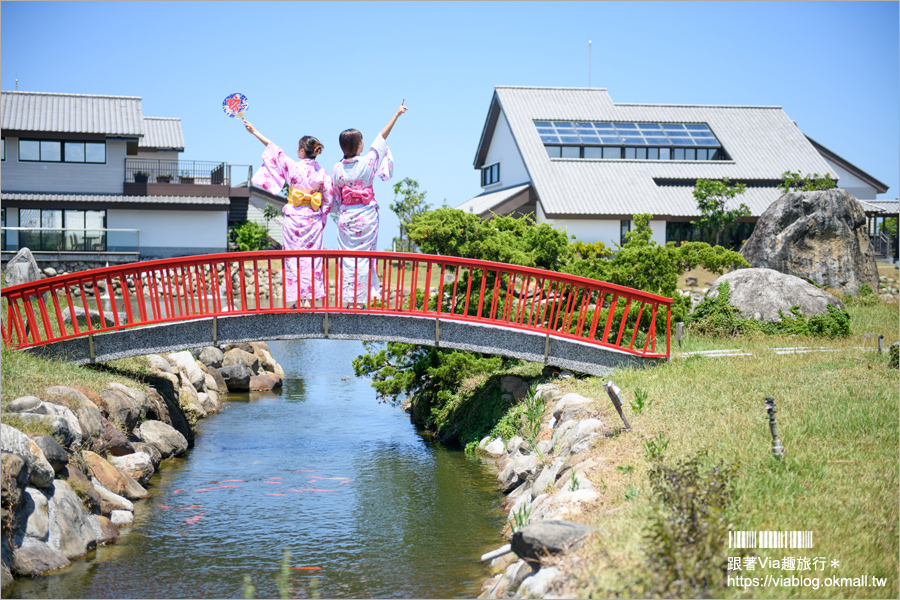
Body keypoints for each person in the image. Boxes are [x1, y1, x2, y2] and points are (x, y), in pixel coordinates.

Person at [244, 120, 334, 309]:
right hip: (312, 220)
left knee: (292, 258)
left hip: (294, 218)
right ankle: (309, 301)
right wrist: (321, 214)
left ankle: (296, 301)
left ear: (302, 151)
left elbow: (274, 149)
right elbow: (329, 198)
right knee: (313, 259)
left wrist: (254, 131)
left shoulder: (293, 166)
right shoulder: (322, 173)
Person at [331, 101, 408, 308]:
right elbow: (382, 137)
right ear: (358, 145)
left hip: (346, 217)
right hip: (366, 215)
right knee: (364, 257)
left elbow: (335, 195)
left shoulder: (337, 168)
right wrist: (397, 114)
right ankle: (362, 302)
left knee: (347, 258)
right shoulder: (368, 162)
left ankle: (348, 301)